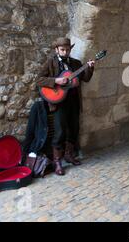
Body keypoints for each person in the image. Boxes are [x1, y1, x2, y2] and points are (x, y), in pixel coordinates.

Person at [37, 37, 95, 175]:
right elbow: (39, 79)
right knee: (60, 131)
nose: (65, 52)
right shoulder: (51, 63)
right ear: (57, 50)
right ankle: (57, 161)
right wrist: (56, 80)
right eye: (62, 50)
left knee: (74, 129)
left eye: (67, 49)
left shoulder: (76, 63)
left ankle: (69, 155)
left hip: (73, 100)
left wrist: (90, 68)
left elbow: (85, 78)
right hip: (59, 102)